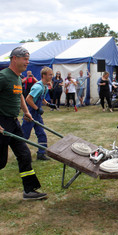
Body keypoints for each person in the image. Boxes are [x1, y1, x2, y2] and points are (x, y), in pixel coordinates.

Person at [0, 46, 47, 200]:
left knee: (25, 154)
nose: (27, 62)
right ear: (14, 58)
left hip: (13, 122)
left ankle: (29, 190)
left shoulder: (18, 78)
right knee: (1, 161)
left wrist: (26, 111)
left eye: (28, 59)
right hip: (2, 122)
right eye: (24, 59)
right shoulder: (4, 77)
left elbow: (19, 94)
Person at [22, 66, 57, 160]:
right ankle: (20, 154)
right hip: (30, 113)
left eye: (52, 74)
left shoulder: (44, 86)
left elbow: (41, 98)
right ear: (43, 75)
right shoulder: (38, 86)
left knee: (41, 134)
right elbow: (28, 99)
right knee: (24, 136)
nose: (51, 76)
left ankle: (41, 154)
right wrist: (37, 108)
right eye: (50, 75)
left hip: (36, 115)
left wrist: (49, 104)